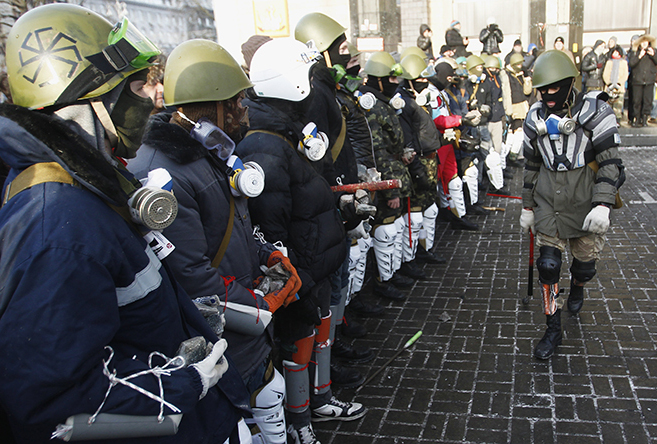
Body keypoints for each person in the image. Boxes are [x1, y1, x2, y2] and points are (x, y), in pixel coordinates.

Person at [0, 4, 251, 443]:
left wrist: (184, 320)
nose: (153, 97)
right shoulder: (58, 224)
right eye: (137, 85)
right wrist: (185, 384)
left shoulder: (89, 183)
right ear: (91, 100)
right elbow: (55, 397)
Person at [129, 39, 300, 444]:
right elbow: (191, 280)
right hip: (219, 342)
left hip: (244, 335)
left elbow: (236, 227)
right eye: (239, 101)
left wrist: (267, 253)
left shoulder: (211, 156)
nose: (245, 110)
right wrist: (261, 306)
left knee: (269, 399)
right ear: (211, 108)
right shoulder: (163, 177)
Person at [238, 38, 367, 444]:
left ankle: (322, 398)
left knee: (321, 332)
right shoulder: (265, 145)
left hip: (317, 261)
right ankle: (300, 423)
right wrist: (292, 278)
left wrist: (343, 209)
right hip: (302, 271)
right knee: (299, 342)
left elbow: (308, 198)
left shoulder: (288, 132)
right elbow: (272, 226)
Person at [520, 50, 624, 360]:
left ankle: (578, 285)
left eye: (555, 88)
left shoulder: (596, 112)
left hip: (584, 198)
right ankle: (553, 327)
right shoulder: (534, 117)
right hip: (549, 199)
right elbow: (531, 165)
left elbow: (610, 163)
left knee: (585, 266)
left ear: (569, 83)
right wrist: (527, 206)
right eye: (543, 89)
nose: (549, 95)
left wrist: (603, 203)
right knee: (548, 266)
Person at [294, 11, 375, 386]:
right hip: (330, 202)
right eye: (342, 49)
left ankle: (335, 340)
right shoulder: (316, 95)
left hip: (340, 197)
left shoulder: (330, 91)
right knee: (331, 286)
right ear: (321, 53)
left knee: (339, 283)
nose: (350, 55)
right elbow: (319, 158)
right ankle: (325, 362)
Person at [357, 51, 417, 296]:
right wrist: (391, 188)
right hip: (385, 178)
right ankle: (384, 281)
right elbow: (377, 151)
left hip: (396, 171)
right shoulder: (372, 106)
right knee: (385, 230)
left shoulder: (382, 102)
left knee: (397, 228)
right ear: (378, 79)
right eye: (390, 80)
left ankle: (394, 271)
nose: (396, 84)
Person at [427, 59, 483, 228]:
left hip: (447, 140)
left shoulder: (441, 92)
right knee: (442, 181)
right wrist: (460, 120)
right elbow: (437, 119)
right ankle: (448, 212)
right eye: (449, 78)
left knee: (452, 180)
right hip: (439, 140)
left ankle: (457, 215)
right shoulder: (432, 94)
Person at [628, 34, 657, 127]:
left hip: (649, 81)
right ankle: (637, 118)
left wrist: (653, 55)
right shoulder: (635, 52)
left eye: (646, 42)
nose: (644, 44)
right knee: (637, 100)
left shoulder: (653, 51)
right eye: (642, 42)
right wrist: (639, 57)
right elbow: (631, 64)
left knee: (647, 101)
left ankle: (644, 119)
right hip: (637, 81)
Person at [602, 47, 629, 122]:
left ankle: (617, 120)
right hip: (609, 87)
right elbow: (605, 74)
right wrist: (609, 83)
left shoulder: (624, 62)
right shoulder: (609, 62)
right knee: (609, 105)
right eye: (614, 52)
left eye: (617, 52)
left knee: (618, 106)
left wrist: (619, 83)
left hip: (619, 88)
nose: (615, 54)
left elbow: (625, 74)